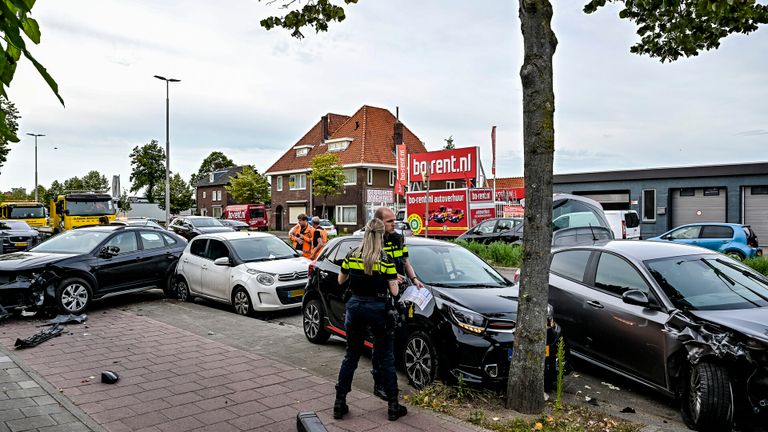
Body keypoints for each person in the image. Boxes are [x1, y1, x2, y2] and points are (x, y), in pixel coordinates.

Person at [333, 218, 408, 422]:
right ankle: (393, 406)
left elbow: (341, 280)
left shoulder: (352, 254)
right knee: (386, 357)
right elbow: (393, 291)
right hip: (378, 309)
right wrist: (392, 280)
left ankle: (339, 403)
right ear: (381, 235)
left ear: (365, 233)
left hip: (355, 308)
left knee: (351, 355)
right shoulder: (384, 259)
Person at [369, 207, 424, 400]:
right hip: (381, 296)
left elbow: (406, 261)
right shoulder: (373, 240)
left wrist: (415, 279)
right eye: (390, 221)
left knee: (395, 339)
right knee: (381, 341)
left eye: (394, 220)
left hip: (399, 295)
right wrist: (390, 277)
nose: (395, 223)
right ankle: (379, 383)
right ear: (379, 223)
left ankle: (390, 381)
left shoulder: (399, 239)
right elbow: (373, 268)